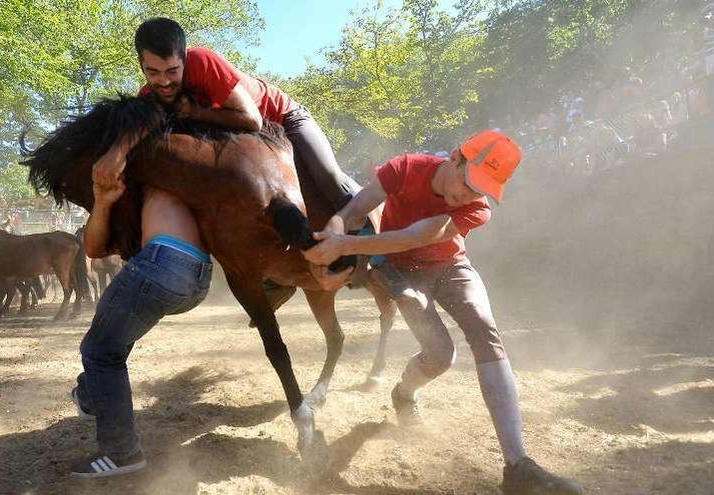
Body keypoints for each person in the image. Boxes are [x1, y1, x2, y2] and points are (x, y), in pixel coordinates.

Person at [301, 130, 583, 495]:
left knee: (484, 327)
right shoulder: (403, 169)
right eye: (468, 182)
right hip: (399, 270)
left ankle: (518, 465)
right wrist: (333, 234)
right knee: (440, 356)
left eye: (479, 190)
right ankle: (403, 393)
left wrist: (348, 244)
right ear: (455, 158)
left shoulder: (476, 208)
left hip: (451, 266)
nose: (467, 195)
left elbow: (419, 235)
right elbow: (354, 208)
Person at [93, 17, 367, 234]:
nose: (163, 82)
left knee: (328, 176)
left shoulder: (204, 62)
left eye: (172, 71)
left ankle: (375, 241)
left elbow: (252, 120)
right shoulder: (150, 94)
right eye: (153, 72)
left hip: (283, 118)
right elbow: (145, 122)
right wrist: (115, 154)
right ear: (142, 66)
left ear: (185, 60)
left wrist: (195, 112)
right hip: (253, 145)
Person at [68, 141, 213, 478]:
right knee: (113, 341)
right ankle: (90, 394)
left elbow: (92, 248)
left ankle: (121, 453)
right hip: (199, 278)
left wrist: (103, 199)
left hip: (163, 264)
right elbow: (94, 249)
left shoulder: (146, 177)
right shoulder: (184, 175)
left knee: (99, 350)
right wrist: (104, 201)